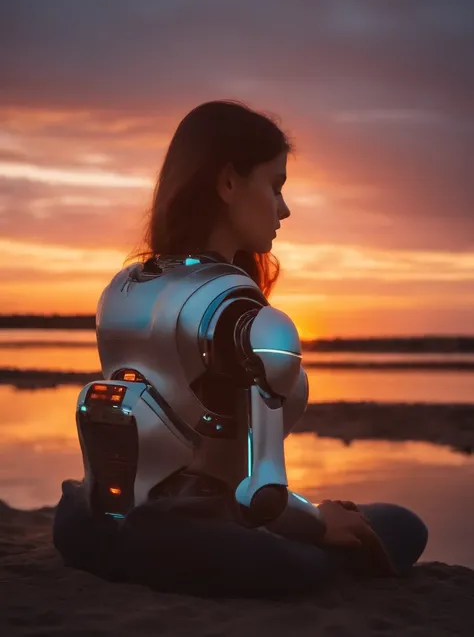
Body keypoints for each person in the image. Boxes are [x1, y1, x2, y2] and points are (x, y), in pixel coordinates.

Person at [53, 100, 428, 598]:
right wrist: (317, 522)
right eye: (275, 186)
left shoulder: (124, 287)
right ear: (228, 182)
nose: (284, 208)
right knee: (400, 527)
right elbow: (258, 494)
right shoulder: (234, 308)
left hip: (86, 523)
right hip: (182, 538)